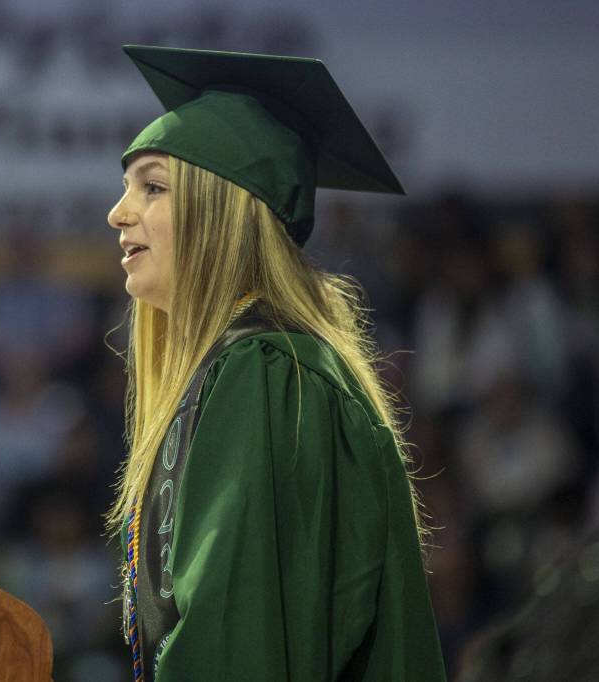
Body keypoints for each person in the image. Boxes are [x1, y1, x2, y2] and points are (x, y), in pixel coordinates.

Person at [105, 45, 447, 681]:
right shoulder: (263, 368)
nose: (118, 212)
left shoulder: (265, 374)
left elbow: (233, 637)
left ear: (225, 209)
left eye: (152, 187)